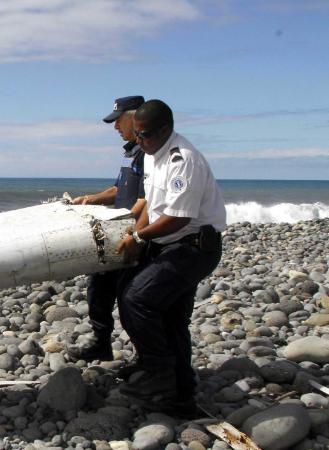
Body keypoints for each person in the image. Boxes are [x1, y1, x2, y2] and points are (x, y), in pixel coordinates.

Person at [115, 100, 226, 414]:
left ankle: (159, 374)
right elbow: (152, 205)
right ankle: (180, 393)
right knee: (168, 315)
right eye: (137, 134)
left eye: (146, 135)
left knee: (138, 299)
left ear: (165, 130)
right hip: (168, 244)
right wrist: (137, 234)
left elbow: (178, 217)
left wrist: (139, 238)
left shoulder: (183, 160)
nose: (140, 140)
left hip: (193, 247)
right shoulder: (152, 154)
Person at [69, 95, 146, 362]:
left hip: (134, 234)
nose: (115, 127)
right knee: (98, 288)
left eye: (118, 121)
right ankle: (101, 342)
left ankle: (146, 356)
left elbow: (146, 200)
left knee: (130, 298)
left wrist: (133, 234)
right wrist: (90, 199)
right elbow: (118, 190)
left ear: (135, 118)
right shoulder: (130, 152)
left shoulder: (148, 154)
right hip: (117, 231)